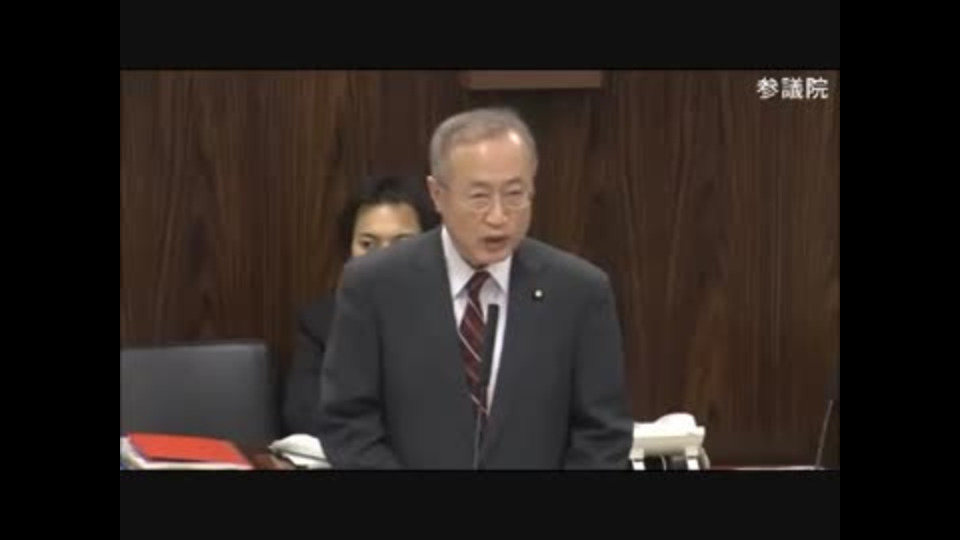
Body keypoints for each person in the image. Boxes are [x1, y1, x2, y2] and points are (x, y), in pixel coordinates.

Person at [317, 107, 633, 469]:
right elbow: (348, 423)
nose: (498, 216)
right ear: (437, 194)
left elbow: (602, 435)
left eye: (515, 194)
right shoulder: (374, 285)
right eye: (480, 196)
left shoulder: (579, 292)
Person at [282, 174, 440, 436]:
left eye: (404, 243)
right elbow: (304, 414)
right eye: (368, 244)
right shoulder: (320, 323)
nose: (384, 258)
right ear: (349, 251)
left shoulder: (457, 316)